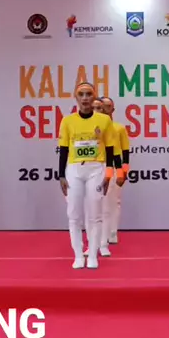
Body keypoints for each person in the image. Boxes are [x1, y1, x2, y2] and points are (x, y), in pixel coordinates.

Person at [58, 83, 124, 269]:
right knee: (74, 214)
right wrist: (61, 175)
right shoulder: (67, 121)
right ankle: (78, 255)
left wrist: (109, 173)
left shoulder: (104, 121)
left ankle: (93, 254)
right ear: (76, 97)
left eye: (88, 94)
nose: (85, 98)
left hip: (96, 168)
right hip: (74, 169)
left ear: (94, 97)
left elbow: (110, 149)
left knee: (95, 213)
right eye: (81, 94)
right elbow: (63, 149)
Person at [99, 97, 130, 247]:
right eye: (102, 106)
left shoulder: (119, 128)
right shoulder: (96, 128)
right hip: (98, 166)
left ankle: (112, 232)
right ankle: (100, 233)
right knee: (100, 201)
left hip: (115, 166)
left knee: (114, 201)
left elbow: (125, 150)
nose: (105, 109)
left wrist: (124, 171)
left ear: (113, 109)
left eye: (108, 106)